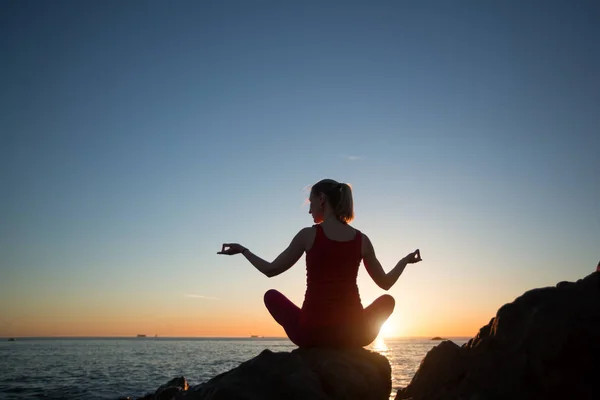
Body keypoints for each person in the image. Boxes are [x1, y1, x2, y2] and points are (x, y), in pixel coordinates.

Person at [218, 179, 422, 348]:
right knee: (388, 300)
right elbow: (385, 283)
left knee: (271, 296)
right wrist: (404, 261)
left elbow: (270, 270)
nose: (309, 210)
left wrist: (244, 251)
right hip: (354, 336)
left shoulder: (308, 235)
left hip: (312, 335)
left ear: (322, 199)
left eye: (310, 202)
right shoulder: (362, 240)